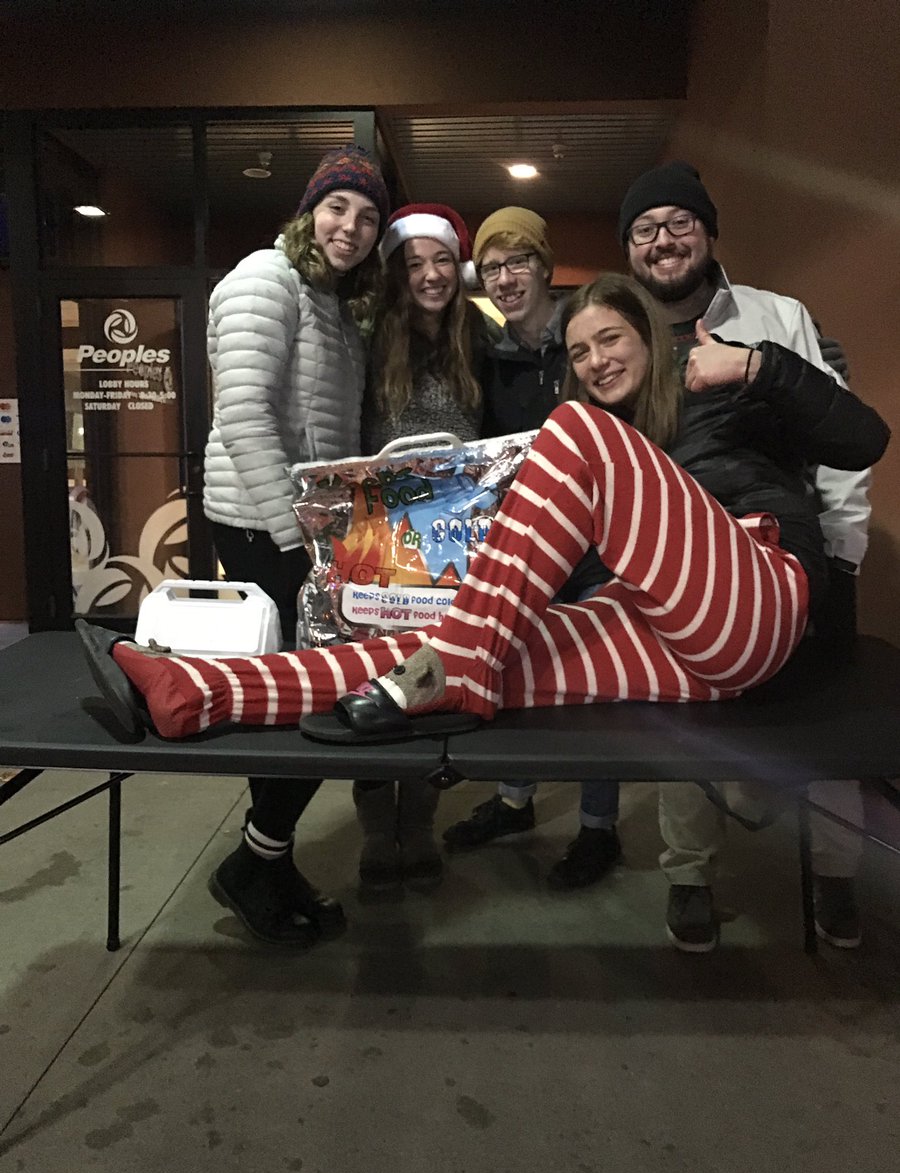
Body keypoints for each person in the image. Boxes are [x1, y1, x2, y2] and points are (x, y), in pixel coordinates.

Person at [78, 269, 889, 878]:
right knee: (453, 640)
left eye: (610, 338)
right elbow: (552, 555)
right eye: (579, 352)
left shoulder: (720, 394)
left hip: (760, 590)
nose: (597, 360)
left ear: (648, 334)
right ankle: (200, 691)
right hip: (671, 641)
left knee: (562, 445)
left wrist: (756, 369)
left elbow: (864, 439)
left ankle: (457, 667)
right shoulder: (616, 444)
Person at [617, 160, 874, 950]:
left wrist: (845, 545)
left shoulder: (779, 316)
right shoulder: (619, 338)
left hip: (796, 557)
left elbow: (841, 436)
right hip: (678, 569)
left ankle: (836, 874)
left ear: (709, 232)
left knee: (828, 726)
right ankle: (689, 876)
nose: (664, 242)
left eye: (679, 223)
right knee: (691, 728)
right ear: (631, 249)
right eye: (645, 229)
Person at [201, 144, 389, 946]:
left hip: (309, 531)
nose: (352, 225)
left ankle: (264, 860)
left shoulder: (334, 304)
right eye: (339, 206)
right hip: (261, 525)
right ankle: (255, 863)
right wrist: (298, 540)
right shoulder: (263, 280)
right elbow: (243, 417)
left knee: (307, 700)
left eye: (368, 215)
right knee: (309, 702)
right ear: (310, 210)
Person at [442, 206, 623, 890]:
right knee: (515, 671)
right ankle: (515, 799)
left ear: (546, 266)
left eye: (519, 261)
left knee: (598, 687)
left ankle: (599, 827)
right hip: (526, 542)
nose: (506, 276)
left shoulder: (588, 334)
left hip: (599, 545)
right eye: (492, 266)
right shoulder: (489, 353)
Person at [352, 203, 490, 896]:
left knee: (433, 679)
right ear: (399, 276)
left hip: (458, 544)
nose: (430, 275)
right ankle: (380, 834)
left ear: (458, 270)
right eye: (415, 264)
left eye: (441, 261)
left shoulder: (479, 339)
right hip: (380, 538)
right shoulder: (374, 340)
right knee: (374, 675)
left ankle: (423, 826)